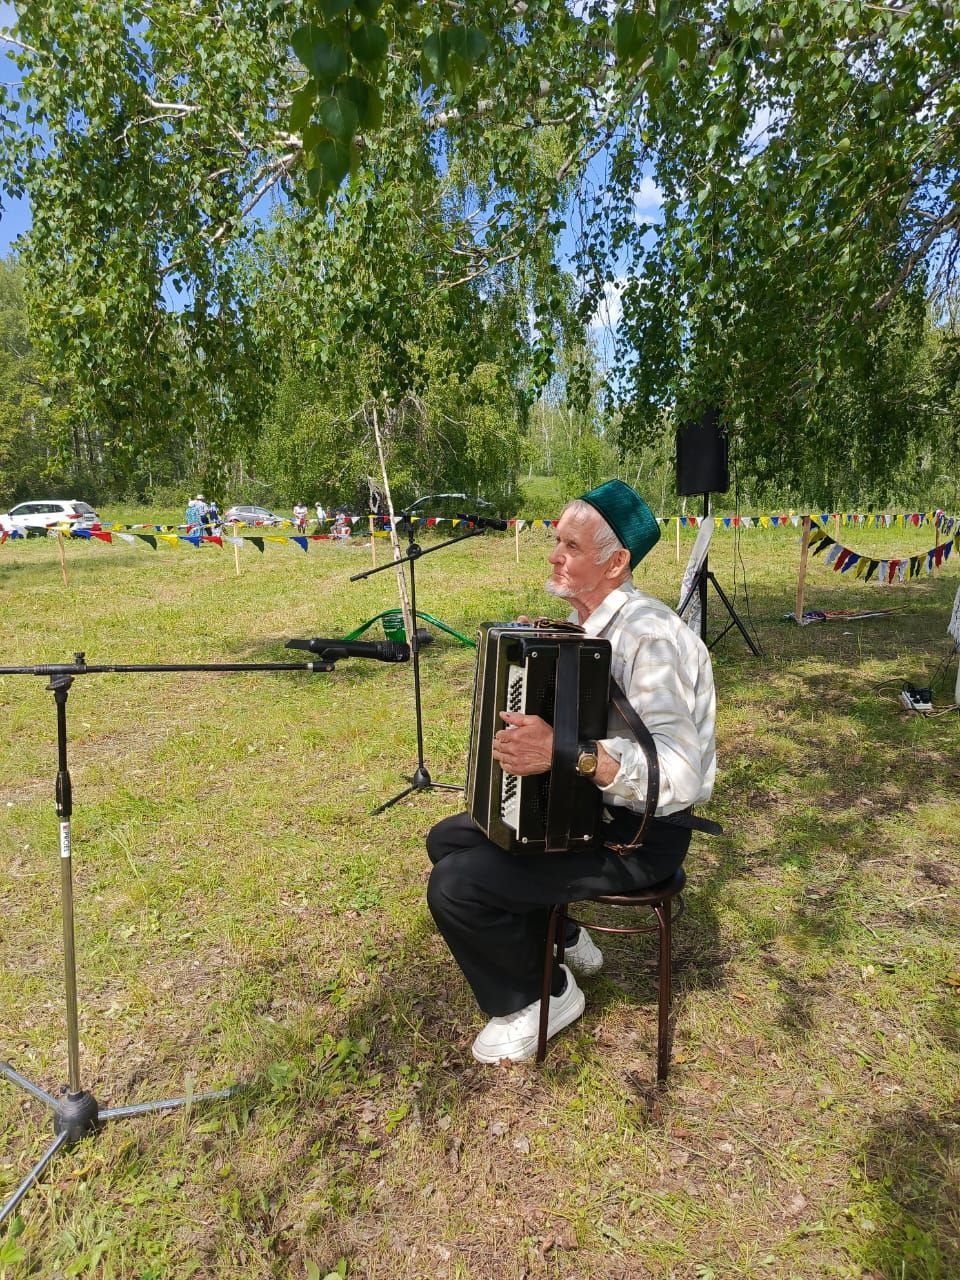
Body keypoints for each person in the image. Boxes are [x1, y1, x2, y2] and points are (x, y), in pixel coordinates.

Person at [426, 480, 716, 1064]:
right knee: (449, 837)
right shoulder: (586, 625)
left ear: (616, 563)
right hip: (589, 811)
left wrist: (564, 754)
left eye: (572, 547)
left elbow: (681, 775)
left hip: (641, 837)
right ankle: (562, 938)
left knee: (457, 885)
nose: (555, 555)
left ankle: (543, 997)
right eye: (556, 542)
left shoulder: (649, 636)